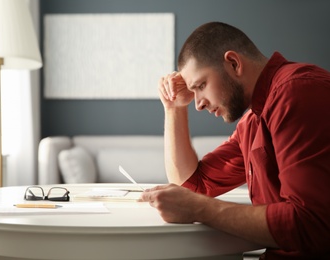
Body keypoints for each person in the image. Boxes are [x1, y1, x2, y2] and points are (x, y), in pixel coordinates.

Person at [140, 22, 330, 259]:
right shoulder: (252, 121)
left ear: (233, 63)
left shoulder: (296, 92)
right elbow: (191, 184)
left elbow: (311, 223)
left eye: (201, 85)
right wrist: (174, 108)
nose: (198, 103)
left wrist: (200, 209)